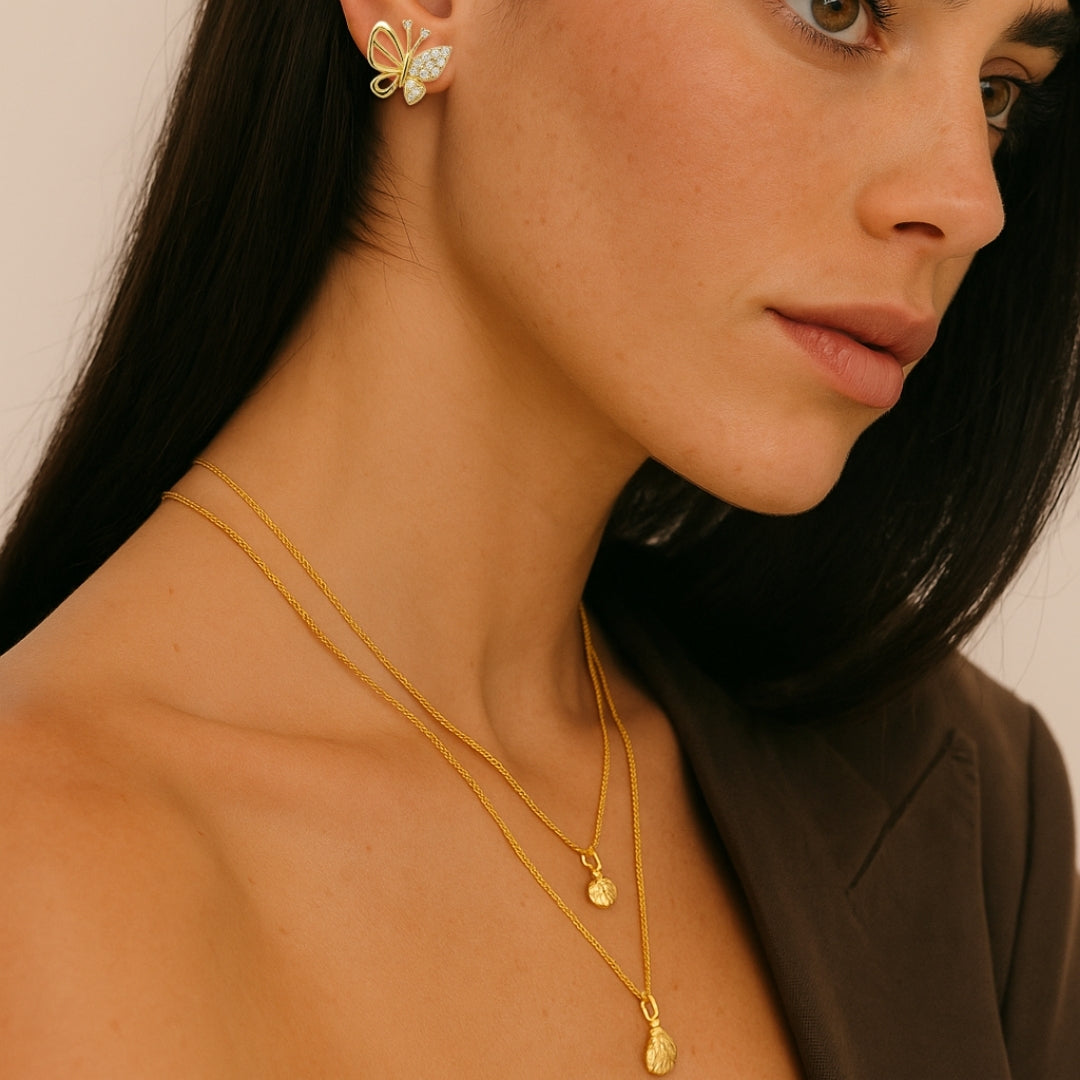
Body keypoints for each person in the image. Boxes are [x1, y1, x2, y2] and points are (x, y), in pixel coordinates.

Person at [1, 0, 1078, 1074]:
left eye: (999, 90)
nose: (968, 202)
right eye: (835, 11)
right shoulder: (40, 869)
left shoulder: (960, 807)